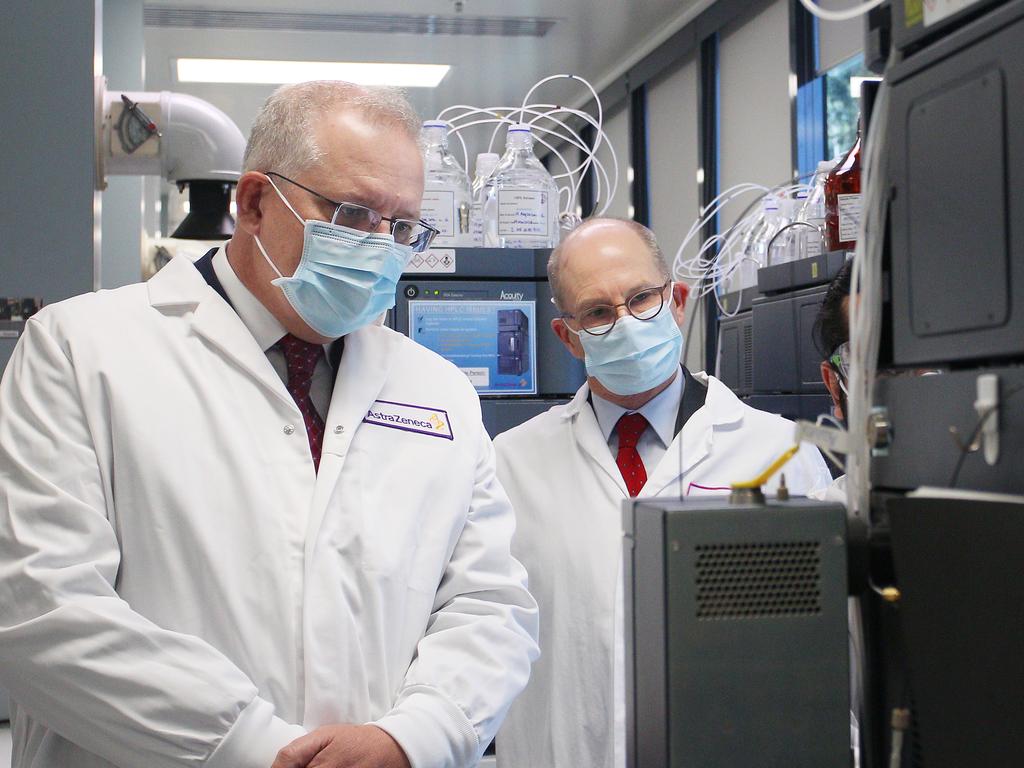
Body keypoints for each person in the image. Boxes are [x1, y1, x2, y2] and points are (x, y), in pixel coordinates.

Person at [0, 81, 538, 768]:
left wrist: (415, 736)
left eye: (402, 227)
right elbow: (41, 609)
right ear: (254, 201)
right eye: (351, 213)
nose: (381, 247)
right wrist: (253, 746)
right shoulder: (80, 350)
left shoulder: (439, 391)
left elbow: (490, 604)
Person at [493, 218, 832, 768]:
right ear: (568, 336)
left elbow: (823, 655)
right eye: (598, 312)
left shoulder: (779, 454)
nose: (625, 323)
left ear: (676, 299)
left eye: (641, 299)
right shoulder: (509, 465)